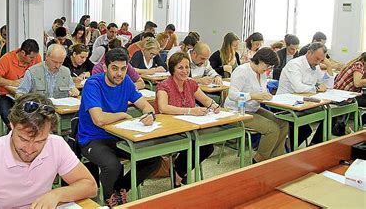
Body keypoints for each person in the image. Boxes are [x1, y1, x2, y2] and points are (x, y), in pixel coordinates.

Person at [0, 93, 97, 208]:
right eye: (23, 139)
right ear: (11, 124)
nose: (30, 150)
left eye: (40, 141)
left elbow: (90, 186)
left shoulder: (56, 145)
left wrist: (57, 194)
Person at [78, 48, 161, 206]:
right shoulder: (93, 84)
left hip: (118, 136)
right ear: (105, 68)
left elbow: (145, 106)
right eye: (114, 68)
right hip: (92, 138)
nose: (119, 74)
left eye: (123, 69)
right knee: (112, 165)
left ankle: (121, 188)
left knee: (153, 158)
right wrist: (122, 115)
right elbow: (99, 119)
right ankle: (110, 198)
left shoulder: (127, 82)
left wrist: (149, 114)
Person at [156, 52, 220, 186]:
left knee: (207, 146)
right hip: (170, 128)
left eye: (187, 67)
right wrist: (190, 111)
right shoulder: (164, 86)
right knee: (195, 143)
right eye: (180, 68)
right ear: (172, 69)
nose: (184, 71)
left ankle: (178, 171)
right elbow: (163, 108)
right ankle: (179, 173)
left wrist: (213, 105)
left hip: (189, 127)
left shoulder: (191, 84)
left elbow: (205, 99)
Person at [226, 48, 288, 162]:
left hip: (253, 108)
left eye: (271, 67)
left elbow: (262, 91)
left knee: (283, 123)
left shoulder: (262, 73)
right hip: (236, 111)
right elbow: (232, 95)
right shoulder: (242, 71)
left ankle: (275, 158)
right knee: (272, 129)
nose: (268, 69)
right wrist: (253, 96)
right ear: (259, 60)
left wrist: (267, 96)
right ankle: (258, 160)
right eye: (268, 65)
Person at [277, 42, 334, 147]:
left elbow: (328, 85)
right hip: (285, 104)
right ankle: (287, 149)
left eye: (321, 60)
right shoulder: (295, 65)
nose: (318, 63)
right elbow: (298, 88)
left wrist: (329, 67)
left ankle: (315, 145)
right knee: (305, 130)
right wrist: (316, 88)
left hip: (303, 103)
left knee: (329, 112)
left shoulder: (315, 66)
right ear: (309, 52)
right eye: (317, 59)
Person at [0, 39, 42, 130]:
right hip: (5, 94)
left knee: (38, 116)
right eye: (31, 58)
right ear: (22, 53)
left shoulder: (36, 57)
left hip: (27, 95)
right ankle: (13, 132)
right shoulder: (7, 58)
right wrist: (12, 83)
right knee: (11, 118)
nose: (33, 60)